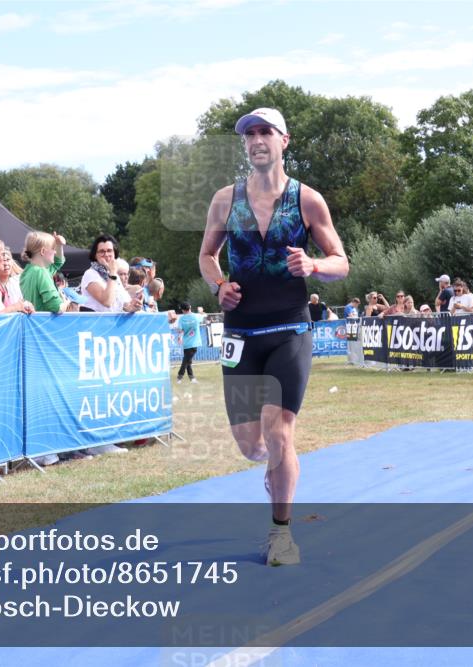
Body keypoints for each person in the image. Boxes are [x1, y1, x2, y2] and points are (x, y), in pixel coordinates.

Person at [199, 107, 348, 566]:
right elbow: (207, 255)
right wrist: (218, 285)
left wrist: (315, 265)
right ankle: (274, 468)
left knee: (280, 431)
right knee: (251, 444)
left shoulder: (308, 200)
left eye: (266, 131)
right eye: (250, 134)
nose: (257, 139)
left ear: (285, 140)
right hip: (241, 333)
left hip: (290, 327)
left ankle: (281, 534)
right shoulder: (226, 199)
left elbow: (341, 261)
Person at [80, 234, 141, 313]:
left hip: (113, 323)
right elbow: (107, 302)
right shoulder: (90, 274)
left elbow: (123, 304)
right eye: (102, 251)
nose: (106, 255)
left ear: (114, 253)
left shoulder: (114, 275)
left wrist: (133, 306)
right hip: (96, 323)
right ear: (95, 255)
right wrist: (112, 272)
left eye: (109, 251)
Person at [20, 231, 68, 313]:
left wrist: (58, 245)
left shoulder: (27, 271)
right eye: (53, 248)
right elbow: (57, 307)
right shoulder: (42, 272)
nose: (55, 252)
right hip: (44, 324)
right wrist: (67, 303)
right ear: (42, 251)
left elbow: (57, 262)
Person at [176, 301, 201, 384]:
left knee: (187, 361)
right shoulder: (196, 316)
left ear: (183, 310)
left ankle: (191, 378)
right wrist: (201, 311)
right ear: (190, 307)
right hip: (194, 343)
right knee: (186, 361)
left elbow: (180, 330)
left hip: (186, 343)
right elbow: (202, 317)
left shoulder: (181, 319)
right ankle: (180, 376)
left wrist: (179, 338)